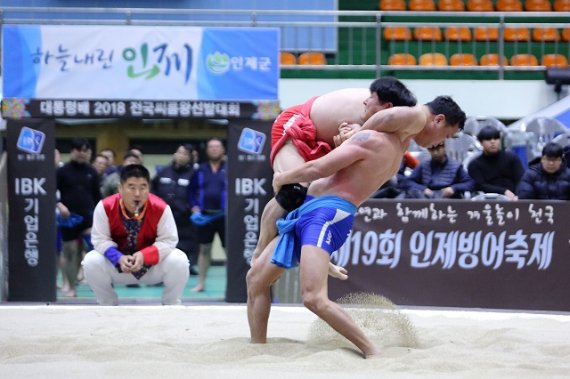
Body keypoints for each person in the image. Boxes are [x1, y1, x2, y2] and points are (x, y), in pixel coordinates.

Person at [247, 96, 466, 358]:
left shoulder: (377, 141)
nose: (363, 106)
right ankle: (257, 348)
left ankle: (372, 350)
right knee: (256, 279)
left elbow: (318, 167)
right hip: (310, 212)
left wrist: (283, 177)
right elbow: (389, 122)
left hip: (326, 215)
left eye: (368, 103)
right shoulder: (386, 142)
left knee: (313, 298)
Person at [251, 77, 417, 270]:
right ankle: (259, 252)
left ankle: (316, 252)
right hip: (297, 124)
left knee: (322, 194)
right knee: (293, 191)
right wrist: (282, 178)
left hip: (327, 141)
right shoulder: (379, 113)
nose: (365, 101)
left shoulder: (389, 126)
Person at [82, 164, 189, 305]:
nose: (137, 193)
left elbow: (169, 240)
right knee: (90, 261)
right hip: (118, 267)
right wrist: (118, 257)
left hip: (151, 268)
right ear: (120, 188)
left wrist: (144, 255)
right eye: (131, 187)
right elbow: (99, 239)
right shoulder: (105, 207)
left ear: (148, 188)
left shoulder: (161, 208)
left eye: (142, 187)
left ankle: (171, 302)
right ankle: (107, 302)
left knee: (180, 260)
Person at [56, 138, 102, 297]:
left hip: (88, 217)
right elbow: (52, 193)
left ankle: (95, 283)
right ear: (72, 151)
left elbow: (97, 196)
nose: (82, 153)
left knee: (92, 248)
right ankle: (70, 285)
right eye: (79, 150)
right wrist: (60, 205)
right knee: (70, 252)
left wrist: (100, 216)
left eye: (85, 150)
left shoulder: (92, 172)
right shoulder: (62, 172)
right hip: (68, 218)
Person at [151, 144, 199, 275]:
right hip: (163, 216)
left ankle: (184, 268)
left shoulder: (194, 174)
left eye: (185, 154)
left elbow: (198, 192)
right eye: (179, 152)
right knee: (162, 245)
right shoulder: (164, 171)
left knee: (186, 245)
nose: (181, 156)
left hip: (184, 217)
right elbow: (152, 188)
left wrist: (192, 207)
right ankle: (158, 275)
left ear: (189, 157)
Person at [189, 138, 227, 292]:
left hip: (226, 217)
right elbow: (190, 191)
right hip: (205, 217)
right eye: (211, 147)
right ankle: (201, 283)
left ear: (223, 150)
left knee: (229, 250)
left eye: (217, 147)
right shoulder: (200, 170)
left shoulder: (231, 168)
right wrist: (194, 206)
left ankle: (232, 284)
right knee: (204, 250)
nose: (214, 149)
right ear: (207, 150)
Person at [467, 125, 524, 200]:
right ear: (481, 142)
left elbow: (521, 179)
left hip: (514, 198)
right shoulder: (474, 164)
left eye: (496, 138)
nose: (493, 142)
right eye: (488, 139)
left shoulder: (512, 158)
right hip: (487, 200)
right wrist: (504, 191)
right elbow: (480, 185)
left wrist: (518, 195)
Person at [402, 142, 475, 199]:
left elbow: (470, 183)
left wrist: (453, 188)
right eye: (432, 150)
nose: (435, 153)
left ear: (444, 147)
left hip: (450, 199)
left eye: (438, 149)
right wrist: (423, 189)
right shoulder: (423, 165)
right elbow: (408, 182)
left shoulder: (456, 166)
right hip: (427, 198)